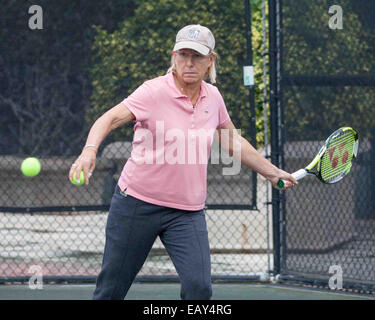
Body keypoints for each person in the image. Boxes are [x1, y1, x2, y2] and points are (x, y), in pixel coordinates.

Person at [69, 24, 297, 300]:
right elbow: (108, 119)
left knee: (199, 289)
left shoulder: (213, 97)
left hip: (186, 213)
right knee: (110, 292)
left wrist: (271, 173)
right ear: (174, 56)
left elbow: (232, 140)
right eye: (183, 54)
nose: (189, 63)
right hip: (136, 205)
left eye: (197, 56)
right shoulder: (152, 92)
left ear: (210, 60)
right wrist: (89, 150)